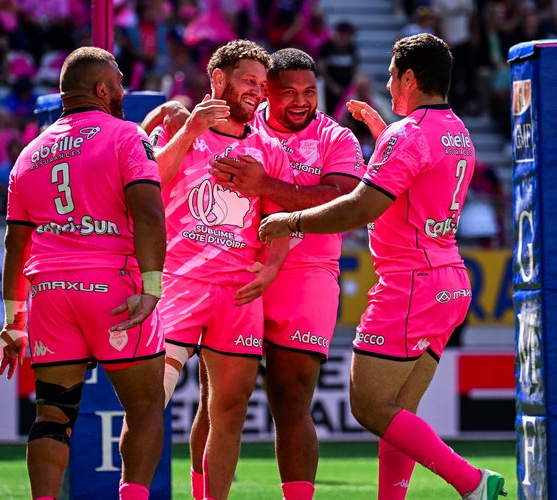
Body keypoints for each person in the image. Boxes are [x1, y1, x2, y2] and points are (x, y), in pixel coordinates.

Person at [259, 34, 507, 500]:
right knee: (399, 413)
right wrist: (383, 133)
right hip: (450, 280)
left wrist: (290, 220)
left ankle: (472, 482)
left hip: (410, 284)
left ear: (409, 78)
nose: (388, 84)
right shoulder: (457, 130)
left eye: (392, 76)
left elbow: (360, 207)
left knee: (370, 406)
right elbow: (420, 175)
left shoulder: (407, 135)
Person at [0, 46, 167, 500]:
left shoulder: (28, 154)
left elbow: (15, 244)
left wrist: (11, 322)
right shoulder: (127, 135)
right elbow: (149, 212)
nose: (124, 90)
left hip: (50, 293)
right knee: (146, 406)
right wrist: (152, 286)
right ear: (102, 89)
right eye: (120, 82)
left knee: (52, 415)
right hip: (114, 288)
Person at [207, 48, 365, 500]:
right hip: (237, 269)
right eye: (288, 92)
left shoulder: (337, 138)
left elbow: (342, 201)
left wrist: (267, 186)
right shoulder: (239, 127)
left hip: (308, 275)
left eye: (309, 92)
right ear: (264, 93)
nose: (301, 101)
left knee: (291, 399)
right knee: (220, 401)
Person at [152, 39, 291, 500]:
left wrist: (271, 267)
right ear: (218, 79)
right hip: (180, 283)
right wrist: (190, 129)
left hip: (238, 293)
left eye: (261, 85)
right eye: (249, 81)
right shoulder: (184, 129)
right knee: (150, 402)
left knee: (229, 412)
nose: (257, 91)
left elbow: (281, 215)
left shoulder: (269, 149)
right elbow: (149, 183)